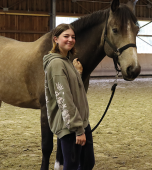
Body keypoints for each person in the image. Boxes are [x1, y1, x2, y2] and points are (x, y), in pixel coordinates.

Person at [43, 23, 95, 170]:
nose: (70, 40)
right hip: (71, 126)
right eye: (66, 36)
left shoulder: (67, 61)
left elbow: (71, 89)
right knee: (71, 166)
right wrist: (78, 130)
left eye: (73, 37)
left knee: (87, 163)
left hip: (80, 122)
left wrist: (77, 73)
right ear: (56, 39)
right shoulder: (56, 64)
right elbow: (64, 98)